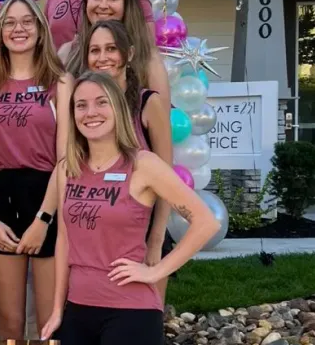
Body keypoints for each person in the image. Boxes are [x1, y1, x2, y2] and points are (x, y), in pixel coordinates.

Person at [40, 72, 220, 344]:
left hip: (130, 312)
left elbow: (206, 222)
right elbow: (64, 240)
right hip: (77, 310)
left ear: (118, 108)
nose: (91, 112)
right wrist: (56, 309)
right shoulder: (68, 169)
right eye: (81, 105)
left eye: (101, 102)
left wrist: (155, 271)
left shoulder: (142, 164)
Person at [0, 0, 71, 339]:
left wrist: (44, 220)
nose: (19, 29)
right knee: (10, 322)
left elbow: (65, 159)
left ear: (41, 31)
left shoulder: (60, 82)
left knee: (49, 323)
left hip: (47, 200)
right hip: (1, 203)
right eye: (10, 22)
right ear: (0, 33)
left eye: (27, 21)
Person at [76, 20, 177, 301]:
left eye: (111, 49)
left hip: (141, 232)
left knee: (144, 319)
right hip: (95, 233)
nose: (103, 57)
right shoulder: (84, 108)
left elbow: (166, 178)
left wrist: (155, 241)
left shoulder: (148, 103)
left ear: (129, 54)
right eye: (95, 50)